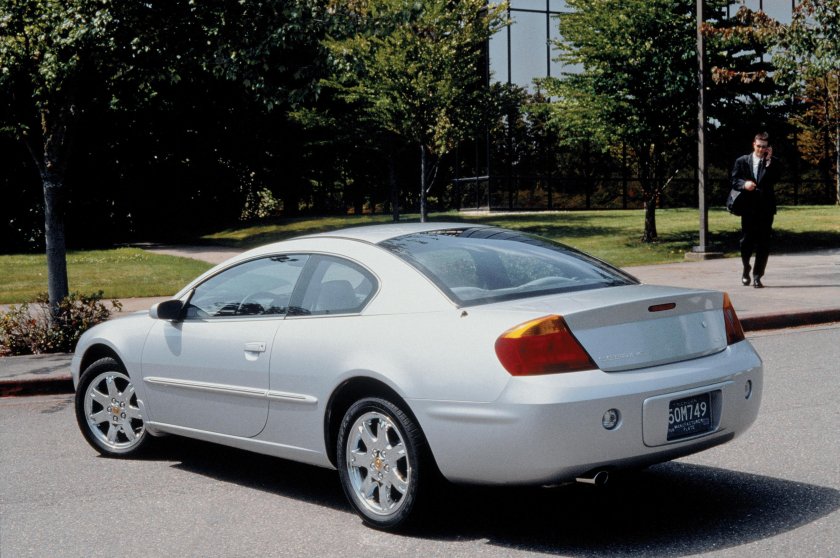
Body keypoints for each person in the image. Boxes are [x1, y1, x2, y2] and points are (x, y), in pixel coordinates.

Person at [730, 132, 780, 288]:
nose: (761, 149)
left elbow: (776, 178)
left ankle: (758, 275)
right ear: (754, 145)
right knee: (746, 242)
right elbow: (734, 180)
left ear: (768, 148)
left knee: (764, 243)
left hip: (766, 208)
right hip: (749, 208)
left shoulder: (773, 163)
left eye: (764, 147)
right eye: (758, 146)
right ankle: (746, 268)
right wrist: (744, 185)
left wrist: (769, 161)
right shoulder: (742, 161)